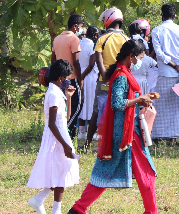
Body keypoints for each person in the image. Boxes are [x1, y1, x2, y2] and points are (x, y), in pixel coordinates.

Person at [67, 40, 173, 214]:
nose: (140, 61)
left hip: (125, 131)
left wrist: (140, 102)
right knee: (143, 172)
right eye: (139, 58)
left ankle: (78, 209)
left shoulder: (122, 73)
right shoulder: (121, 76)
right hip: (127, 134)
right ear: (131, 56)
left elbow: (122, 102)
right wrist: (139, 99)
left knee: (110, 172)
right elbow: (117, 104)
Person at [27, 59, 79, 214]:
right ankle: (56, 213)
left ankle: (39, 200)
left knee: (61, 171)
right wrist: (64, 145)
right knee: (62, 172)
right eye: (67, 78)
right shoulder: (54, 94)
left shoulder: (57, 92)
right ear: (61, 78)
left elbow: (66, 117)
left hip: (60, 135)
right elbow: (51, 124)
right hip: (57, 137)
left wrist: (69, 97)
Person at [83, 8, 130, 148]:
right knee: (120, 110)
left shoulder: (101, 39)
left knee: (97, 111)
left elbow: (99, 60)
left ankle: (87, 143)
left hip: (104, 81)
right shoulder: (127, 39)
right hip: (122, 80)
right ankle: (120, 143)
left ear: (108, 20)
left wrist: (104, 76)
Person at [151, 3, 179, 144]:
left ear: (161, 14)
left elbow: (159, 53)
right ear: (175, 16)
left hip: (165, 73)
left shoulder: (157, 31)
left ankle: (158, 136)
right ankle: (174, 139)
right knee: (178, 107)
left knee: (161, 106)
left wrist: (175, 66)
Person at [51, 14, 84, 139]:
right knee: (76, 108)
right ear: (75, 27)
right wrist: (80, 80)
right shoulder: (74, 39)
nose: (81, 29)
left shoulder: (57, 39)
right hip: (71, 79)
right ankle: (65, 133)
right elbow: (76, 62)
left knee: (65, 108)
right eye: (81, 27)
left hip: (60, 80)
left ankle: (70, 135)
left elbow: (53, 60)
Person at [78, 26, 100, 140]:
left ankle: (82, 131)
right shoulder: (92, 45)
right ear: (95, 35)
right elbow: (91, 64)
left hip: (80, 74)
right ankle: (93, 131)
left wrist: (79, 76)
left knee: (82, 103)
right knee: (91, 104)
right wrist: (82, 76)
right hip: (89, 76)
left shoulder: (78, 43)